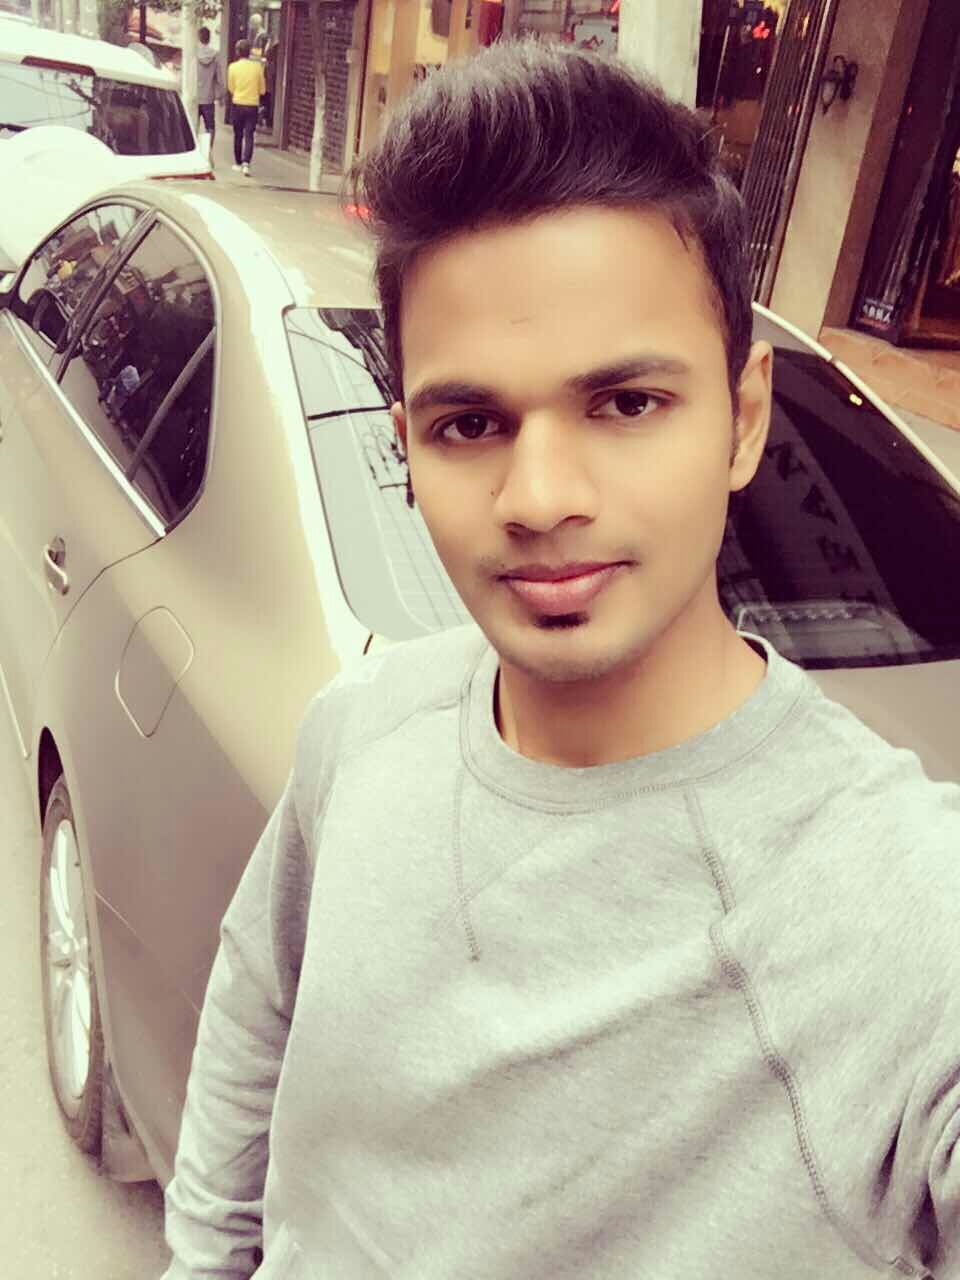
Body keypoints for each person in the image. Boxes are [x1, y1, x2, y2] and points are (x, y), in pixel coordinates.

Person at [160, 39, 960, 1280]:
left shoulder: (897, 903)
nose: (538, 498)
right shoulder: (362, 723)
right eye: (471, 423)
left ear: (744, 417)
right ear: (407, 446)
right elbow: (260, 1005)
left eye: (626, 403)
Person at [226, 38, 265, 177]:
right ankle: (246, 164)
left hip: (238, 103)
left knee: (238, 134)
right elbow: (262, 90)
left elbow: (231, 87)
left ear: (237, 52)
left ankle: (238, 163)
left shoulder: (232, 67)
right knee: (249, 135)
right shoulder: (257, 67)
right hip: (252, 105)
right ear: (249, 52)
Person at [195, 26, 224, 162]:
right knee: (210, 127)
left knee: (192, 126)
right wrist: (221, 95)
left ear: (198, 37)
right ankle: (207, 153)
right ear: (209, 38)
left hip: (194, 97)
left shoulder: (193, 52)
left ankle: (193, 153)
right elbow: (219, 77)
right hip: (208, 98)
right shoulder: (215, 55)